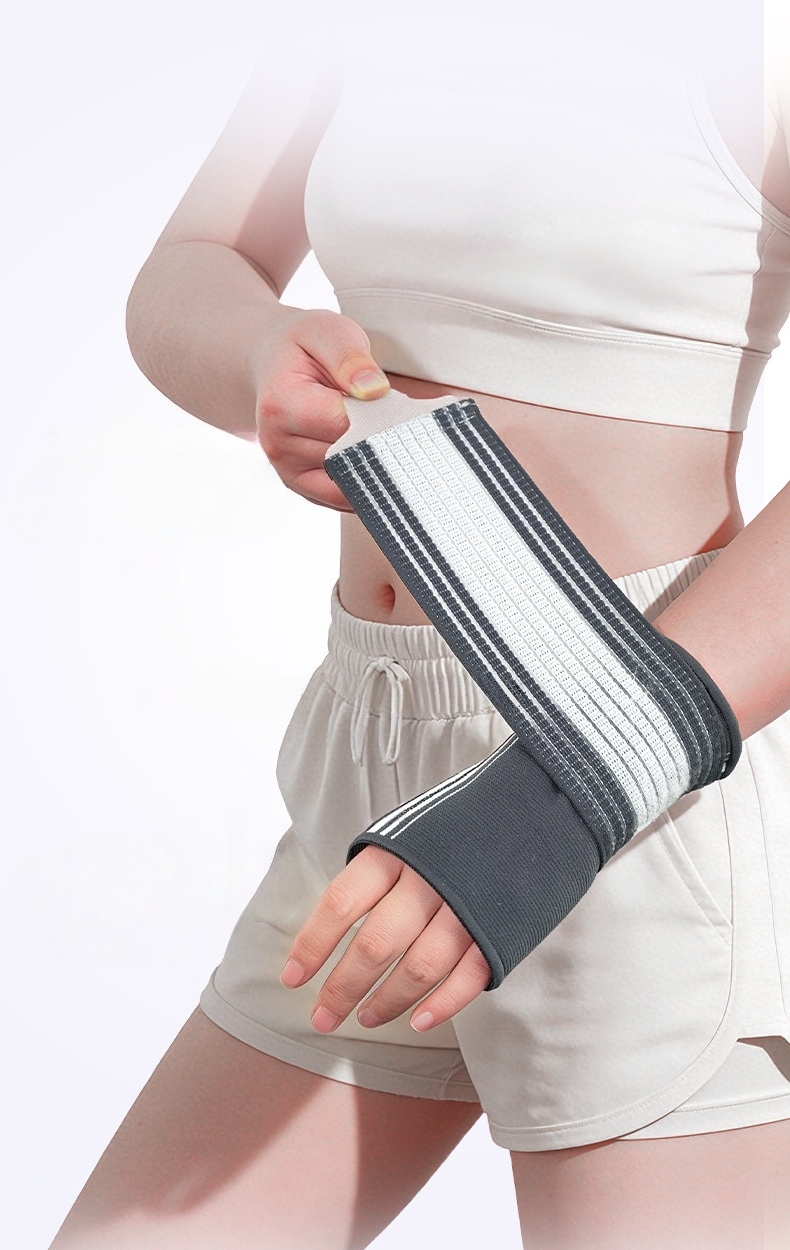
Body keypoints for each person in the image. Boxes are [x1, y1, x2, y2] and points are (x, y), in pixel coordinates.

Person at [50, 2, 790, 1246]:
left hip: (632, 787)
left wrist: (548, 808)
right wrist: (258, 349)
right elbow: (191, 262)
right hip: (373, 759)